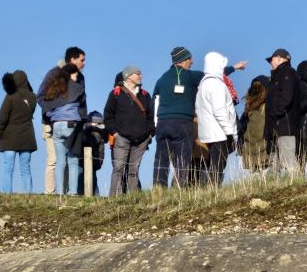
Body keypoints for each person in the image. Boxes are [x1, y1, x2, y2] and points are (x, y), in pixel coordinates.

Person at [152, 47, 246, 188]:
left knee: (161, 157)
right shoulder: (190, 76)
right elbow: (213, 75)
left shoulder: (161, 79)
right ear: (183, 60)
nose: (192, 62)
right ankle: (180, 188)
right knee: (182, 157)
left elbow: (155, 101)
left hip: (162, 123)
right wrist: (234, 67)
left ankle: (159, 188)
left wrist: (156, 124)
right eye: (190, 59)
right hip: (183, 123)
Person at [37, 47, 86, 194]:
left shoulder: (80, 78)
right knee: (58, 160)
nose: (84, 63)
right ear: (72, 60)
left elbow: (82, 104)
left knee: (60, 160)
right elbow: (40, 96)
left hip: (58, 122)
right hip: (54, 123)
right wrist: (52, 113)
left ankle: (61, 193)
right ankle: (52, 193)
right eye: (82, 60)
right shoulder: (54, 74)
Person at [104, 65, 154, 195]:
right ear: (128, 76)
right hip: (122, 138)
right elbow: (108, 115)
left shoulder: (145, 95)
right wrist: (115, 133)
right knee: (118, 168)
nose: (140, 76)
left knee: (134, 170)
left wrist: (149, 134)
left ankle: (133, 199)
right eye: (137, 73)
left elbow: (151, 117)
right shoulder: (116, 93)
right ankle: (114, 198)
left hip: (141, 140)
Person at [195, 52, 238, 186]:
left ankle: (210, 188)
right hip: (219, 132)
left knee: (214, 162)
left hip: (209, 131)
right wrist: (229, 131)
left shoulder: (204, 84)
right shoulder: (215, 84)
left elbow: (198, 108)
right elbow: (220, 111)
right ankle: (212, 189)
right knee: (218, 163)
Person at [0, 70, 37, 193]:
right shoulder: (33, 97)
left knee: (8, 167)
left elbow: (2, 116)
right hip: (27, 137)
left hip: (9, 137)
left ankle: (7, 194)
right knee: (26, 168)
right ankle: (28, 194)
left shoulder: (10, 95)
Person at [264, 48, 301, 175]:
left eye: (272, 59)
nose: (270, 63)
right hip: (279, 124)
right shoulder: (281, 74)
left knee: (287, 159)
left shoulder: (286, 73)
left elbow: (287, 96)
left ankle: (297, 186)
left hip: (285, 124)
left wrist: (276, 113)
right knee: (276, 162)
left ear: (280, 58)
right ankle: (281, 188)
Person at [239, 76, 270, 173]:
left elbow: (241, 128)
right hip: (264, 149)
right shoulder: (268, 105)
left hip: (250, 148)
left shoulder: (248, 108)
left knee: (256, 176)